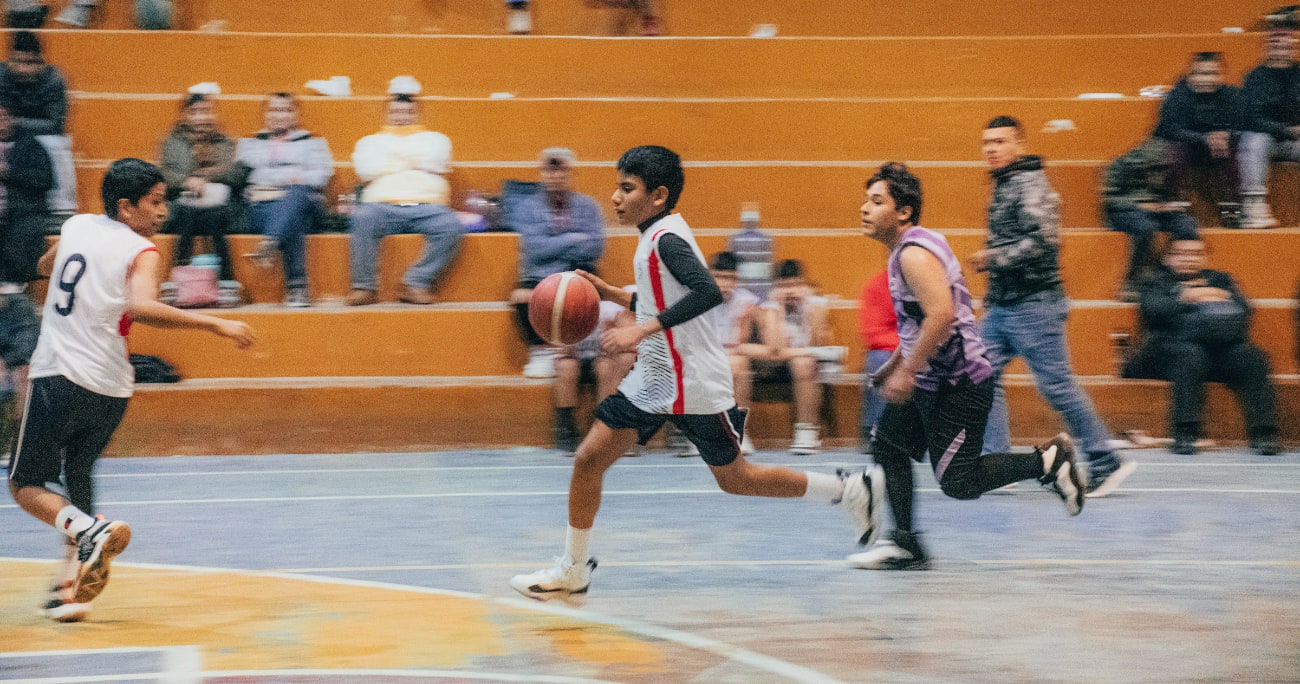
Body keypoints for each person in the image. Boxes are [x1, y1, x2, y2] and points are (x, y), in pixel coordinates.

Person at [510, 145, 881, 603]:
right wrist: (613, 295)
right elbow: (663, 301)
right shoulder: (653, 238)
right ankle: (572, 568)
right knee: (589, 460)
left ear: (658, 195)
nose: (616, 197)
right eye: (617, 187)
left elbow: (707, 293)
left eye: (627, 188)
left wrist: (639, 330)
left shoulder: (666, 239)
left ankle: (849, 490)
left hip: (693, 383)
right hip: (656, 378)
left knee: (737, 478)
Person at [7, 158, 254, 622]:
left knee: (24, 484)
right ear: (126, 207)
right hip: (112, 389)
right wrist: (217, 322)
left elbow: (47, 265)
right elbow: (140, 304)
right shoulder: (141, 251)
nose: (163, 212)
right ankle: (69, 589)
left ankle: (87, 533)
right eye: (155, 202)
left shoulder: (78, 225)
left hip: (60, 376)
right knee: (77, 472)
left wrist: (47, 268)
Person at [848, 162, 1085, 571]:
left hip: (958, 384)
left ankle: (1049, 462)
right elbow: (922, 323)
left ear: (903, 211)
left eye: (876, 201)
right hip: (930, 378)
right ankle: (905, 543)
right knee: (888, 443)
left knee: (960, 482)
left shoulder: (914, 256)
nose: (864, 208)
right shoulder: (906, 251)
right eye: (865, 200)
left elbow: (942, 316)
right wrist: (896, 364)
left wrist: (907, 371)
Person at [973, 115, 1135, 499]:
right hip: (1005, 306)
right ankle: (996, 464)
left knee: (1057, 386)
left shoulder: (1030, 183)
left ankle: (1105, 461)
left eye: (1000, 142)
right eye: (987, 143)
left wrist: (993, 258)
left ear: (1019, 145)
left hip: (1034, 306)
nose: (992, 149)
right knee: (979, 374)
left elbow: (1044, 241)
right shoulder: (1006, 183)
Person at [1121, 239, 1282, 456]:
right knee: (1191, 355)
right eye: (1182, 253)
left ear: (1205, 258)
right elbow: (1153, 311)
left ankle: (1264, 433)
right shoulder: (1156, 282)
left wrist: (1207, 297)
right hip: (1167, 353)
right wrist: (1189, 297)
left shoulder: (1220, 279)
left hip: (1217, 350)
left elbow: (1244, 309)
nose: (1190, 258)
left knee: (1252, 357)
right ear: (1168, 258)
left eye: (1196, 254)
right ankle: (1185, 432)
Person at [345, 94, 462, 307]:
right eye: (396, 112)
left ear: (417, 114)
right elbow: (366, 169)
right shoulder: (369, 142)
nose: (402, 117)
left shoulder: (436, 139)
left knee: (450, 224)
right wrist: (416, 160)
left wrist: (389, 160)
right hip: (381, 205)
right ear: (387, 114)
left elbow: (438, 161)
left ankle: (416, 283)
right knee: (362, 217)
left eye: (408, 112)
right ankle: (364, 287)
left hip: (429, 206)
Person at [511, 147, 606, 377]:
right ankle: (541, 352)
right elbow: (534, 249)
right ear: (541, 173)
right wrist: (573, 238)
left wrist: (553, 244)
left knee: (592, 294)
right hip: (539, 275)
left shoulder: (588, 206)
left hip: (579, 273)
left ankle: (577, 348)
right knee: (521, 297)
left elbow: (595, 247)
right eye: (549, 170)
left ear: (571, 173)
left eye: (560, 170)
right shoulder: (527, 207)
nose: (555, 176)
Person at [236, 93, 333, 308]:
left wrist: (287, 181)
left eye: (285, 110)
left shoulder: (314, 143)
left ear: (295, 114)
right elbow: (245, 177)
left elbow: (322, 176)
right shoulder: (249, 143)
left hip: (304, 202)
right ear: (265, 114)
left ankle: (270, 242)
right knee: (293, 217)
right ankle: (298, 288)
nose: (279, 115)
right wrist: (292, 176)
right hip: (263, 207)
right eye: (273, 110)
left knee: (296, 194)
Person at [0, 99, 52, 456]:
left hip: (15, 280)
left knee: (22, 365)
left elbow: (43, 181)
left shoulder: (29, 148)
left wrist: (7, 171)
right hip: (13, 293)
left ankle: (19, 441)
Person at [1153, 52, 1247, 227]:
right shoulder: (1176, 96)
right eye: (1200, 74)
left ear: (1222, 75)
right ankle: (1174, 205)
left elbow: (1243, 123)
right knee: (1175, 151)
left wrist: (1227, 135)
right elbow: (1168, 129)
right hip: (1188, 147)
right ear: (1190, 75)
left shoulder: (1233, 95)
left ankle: (1232, 210)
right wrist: (1204, 138)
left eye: (1212, 73)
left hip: (1219, 149)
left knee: (1234, 154)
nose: (1206, 79)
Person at [160, 93, 243, 286]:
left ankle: (226, 279)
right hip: (183, 204)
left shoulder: (224, 141)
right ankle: (180, 277)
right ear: (185, 115)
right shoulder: (172, 142)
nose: (200, 117)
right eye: (194, 112)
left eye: (205, 111)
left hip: (219, 205)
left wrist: (204, 177)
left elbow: (234, 173)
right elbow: (165, 174)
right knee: (188, 215)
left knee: (213, 216)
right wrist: (187, 181)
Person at [1102, 137, 1199, 301]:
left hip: (1158, 208)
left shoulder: (1164, 154)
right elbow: (1109, 198)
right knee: (1145, 228)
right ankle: (1132, 279)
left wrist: (1170, 203)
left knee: (1187, 225)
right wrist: (1141, 205)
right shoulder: (1119, 154)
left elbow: (1170, 192)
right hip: (1125, 209)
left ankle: (1167, 275)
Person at [754, 258, 832, 455]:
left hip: (804, 366)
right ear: (775, 287)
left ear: (804, 284)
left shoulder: (816, 306)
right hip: (771, 368)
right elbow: (775, 351)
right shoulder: (767, 308)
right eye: (784, 286)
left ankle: (806, 431)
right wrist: (777, 310)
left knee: (803, 364)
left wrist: (810, 311)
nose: (790, 291)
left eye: (795, 284)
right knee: (802, 360)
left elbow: (818, 345)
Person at [1239, 10, 1300, 228]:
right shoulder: (1254, 77)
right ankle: (1254, 206)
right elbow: (1251, 119)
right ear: (1267, 48)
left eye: (1287, 47)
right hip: (1268, 140)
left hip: (1295, 142)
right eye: (1277, 47)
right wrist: (1287, 130)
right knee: (1253, 139)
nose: (1282, 52)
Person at [553, 298, 636, 453]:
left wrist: (612, 337)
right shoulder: (566, 310)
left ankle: (603, 423)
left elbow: (625, 344)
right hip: (577, 360)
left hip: (602, 360)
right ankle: (566, 427)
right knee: (565, 366)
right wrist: (568, 341)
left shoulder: (608, 311)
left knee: (605, 366)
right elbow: (561, 349)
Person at [707, 250, 762, 454]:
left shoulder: (746, 301)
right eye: (719, 277)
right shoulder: (695, 297)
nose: (724, 283)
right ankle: (699, 433)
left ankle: (738, 431)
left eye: (730, 278)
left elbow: (741, 341)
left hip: (732, 355)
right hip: (701, 354)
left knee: (740, 364)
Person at [857, 269, 898, 453]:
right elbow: (873, 333)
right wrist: (903, 349)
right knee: (878, 359)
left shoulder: (929, 282)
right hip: (893, 349)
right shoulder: (876, 286)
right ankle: (874, 430)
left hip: (923, 346)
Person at [0, 30, 67, 137]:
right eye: (16, 61)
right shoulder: (1, 75)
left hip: (42, 139)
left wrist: (15, 123)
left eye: (29, 62)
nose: (22, 69)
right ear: (8, 60)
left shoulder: (53, 81)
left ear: (41, 63)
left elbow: (56, 125)